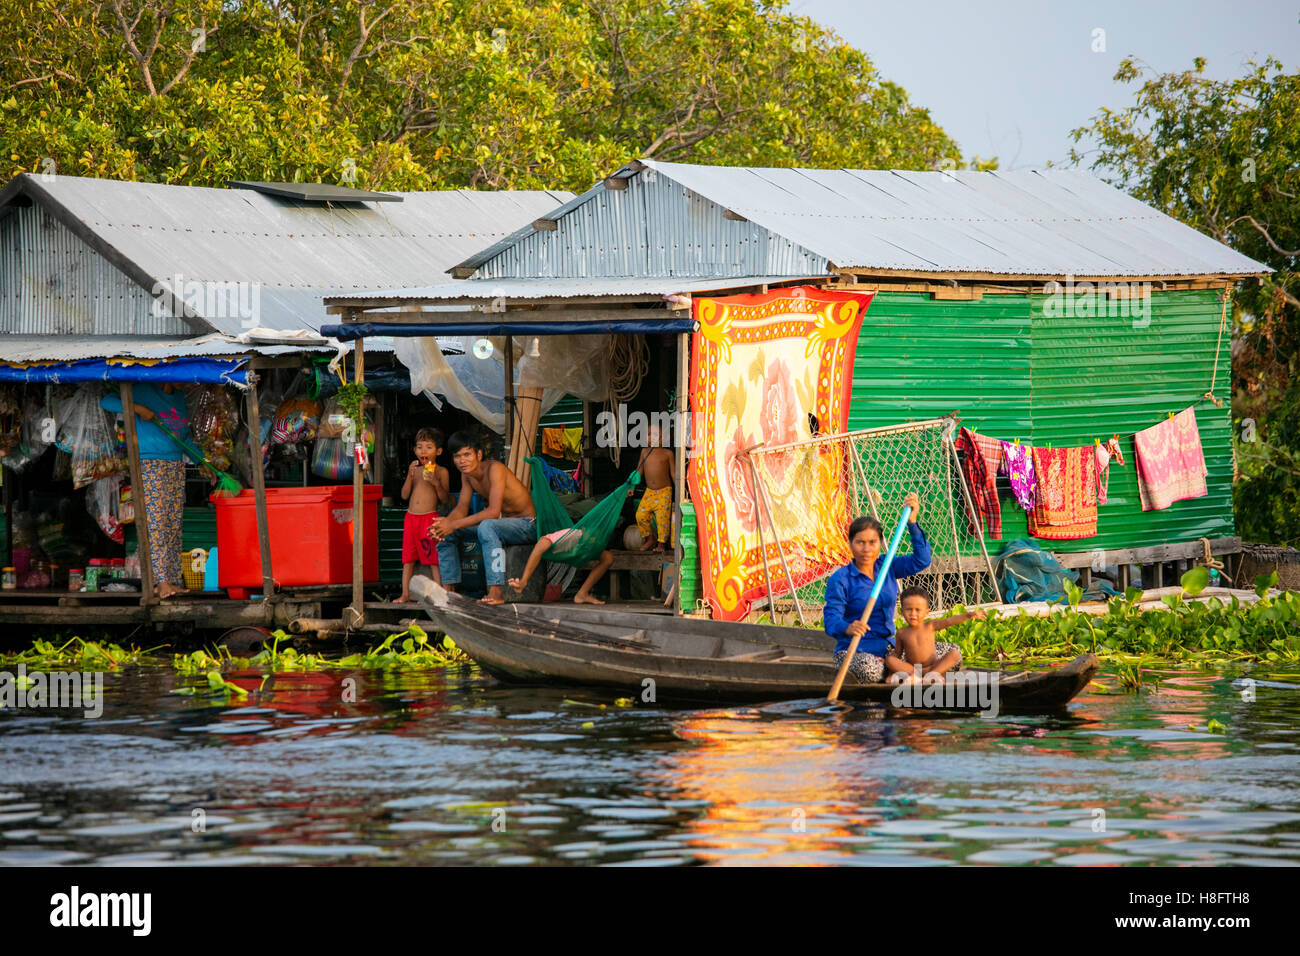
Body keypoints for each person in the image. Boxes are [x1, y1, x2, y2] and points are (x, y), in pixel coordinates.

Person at [822, 492, 931, 685]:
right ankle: (900, 673)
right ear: (850, 544)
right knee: (870, 669)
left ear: (880, 543)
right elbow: (831, 621)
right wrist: (848, 627)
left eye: (872, 543)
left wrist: (912, 524)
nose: (866, 549)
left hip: (889, 649)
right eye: (860, 543)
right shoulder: (841, 580)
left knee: (948, 652)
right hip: (854, 651)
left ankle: (897, 672)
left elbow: (921, 560)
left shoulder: (886, 566)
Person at [100, 383, 191, 600]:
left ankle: (172, 579)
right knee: (157, 522)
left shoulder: (179, 398)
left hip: (176, 465)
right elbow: (107, 401)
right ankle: (160, 582)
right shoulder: (142, 390)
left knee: (172, 524)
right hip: (149, 463)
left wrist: (201, 461)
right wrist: (138, 408)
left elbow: (184, 438)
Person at [432, 431, 537, 605]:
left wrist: (454, 523)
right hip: (503, 524)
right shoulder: (466, 475)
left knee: (487, 526)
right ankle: (447, 590)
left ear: (478, 454)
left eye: (467, 454)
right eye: (457, 456)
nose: (462, 460)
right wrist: (445, 525)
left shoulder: (495, 469)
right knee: (447, 533)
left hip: (527, 525)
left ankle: (496, 592)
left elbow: (493, 512)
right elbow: (461, 508)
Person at [395, 428, 450, 603]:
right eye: (419, 447)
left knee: (434, 559)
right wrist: (410, 476)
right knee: (408, 559)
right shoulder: (415, 470)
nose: (423, 451)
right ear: (414, 451)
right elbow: (404, 496)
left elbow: (445, 499)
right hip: (411, 519)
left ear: (438, 451)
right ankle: (405, 594)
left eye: (428, 447)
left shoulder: (441, 471)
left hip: (429, 518)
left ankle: (439, 595)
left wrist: (435, 482)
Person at [887, 586, 983, 683]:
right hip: (913, 669)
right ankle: (919, 677)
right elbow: (897, 653)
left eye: (918, 610)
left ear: (926, 612)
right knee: (890, 660)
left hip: (933, 666)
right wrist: (889, 666)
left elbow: (949, 621)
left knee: (955, 654)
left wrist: (968, 615)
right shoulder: (902, 632)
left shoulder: (930, 626)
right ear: (902, 611)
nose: (913, 614)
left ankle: (931, 675)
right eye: (909, 609)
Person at [508, 528, 614, 605]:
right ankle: (523, 582)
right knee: (542, 545)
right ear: (584, 530)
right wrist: (524, 580)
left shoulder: (592, 544)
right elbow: (542, 543)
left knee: (608, 557)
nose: (594, 539)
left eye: (596, 538)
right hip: (559, 551)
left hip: (579, 553)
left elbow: (594, 544)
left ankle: (582, 594)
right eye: (592, 536)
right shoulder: (572, 535)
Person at [632, 425, 674, 551]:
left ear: (664, 438)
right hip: (649, 491)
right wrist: (632, 485)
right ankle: (650, 539)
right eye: (649, 434)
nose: (652, 437)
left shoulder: (668, 453)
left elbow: (673, 473)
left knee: (663, 518)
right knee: (640, 514)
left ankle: (661, 544)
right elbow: (639, 470)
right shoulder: (644, 452)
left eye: (656, 434)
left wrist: (681, 490)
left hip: (664, 491)